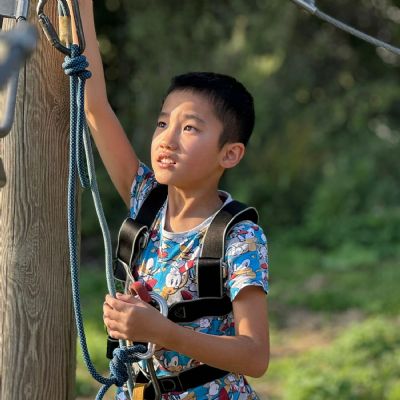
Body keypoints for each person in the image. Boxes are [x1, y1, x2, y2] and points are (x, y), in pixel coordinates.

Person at [75, 1, 270, 398]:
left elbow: (255, 356)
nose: (167, 138)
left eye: (190, 128)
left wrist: (163, 332)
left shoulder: (240, 238)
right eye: (163, 123)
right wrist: (82, 8)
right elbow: (95, 107)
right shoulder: (146, 199)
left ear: (230, 154)